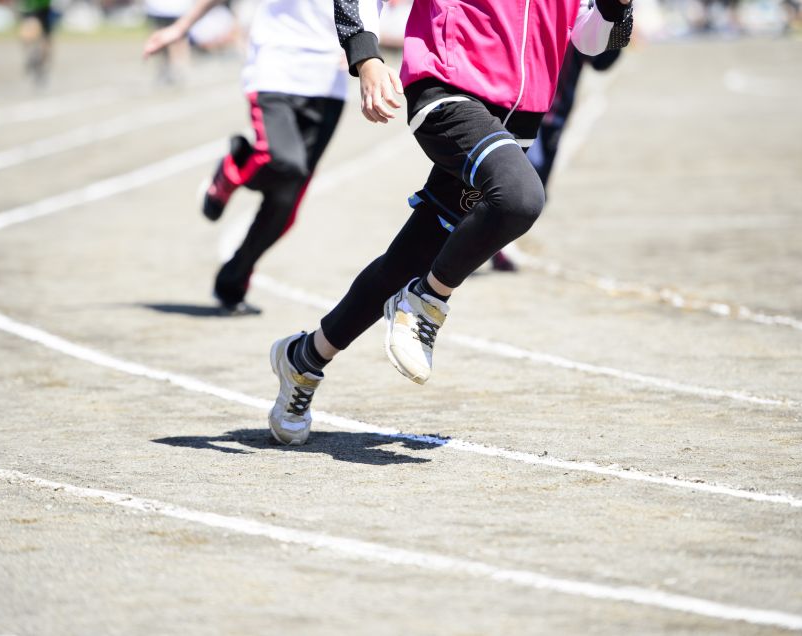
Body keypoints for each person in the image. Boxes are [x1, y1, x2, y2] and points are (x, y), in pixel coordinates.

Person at [267, 0, 633, 445]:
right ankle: (426, 302)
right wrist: (365, 56)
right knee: (520, 198)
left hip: (516, 121)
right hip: (447, 92)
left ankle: (304, 360)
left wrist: (619, 8)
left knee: (410, 256)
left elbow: (589, 40)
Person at [144, 0, 348, 314]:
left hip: (331, 83)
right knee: (284, 161)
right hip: (276, 68)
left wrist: (364, 51)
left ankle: (232, 281)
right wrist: (181, 27)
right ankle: (232, 171)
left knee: (287, 200)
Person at [528, 45, 622, 188]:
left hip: (554, 114)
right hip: (518, 108)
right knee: (528, 178)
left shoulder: (578, 22)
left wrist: (616, 28)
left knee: (536, 186)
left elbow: (601, 62)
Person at [18, 0, 55, 85]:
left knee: (45, 38)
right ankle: (33, 55)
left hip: (42, 8)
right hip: (30, 8)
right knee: (29, 32)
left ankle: (39, 60)